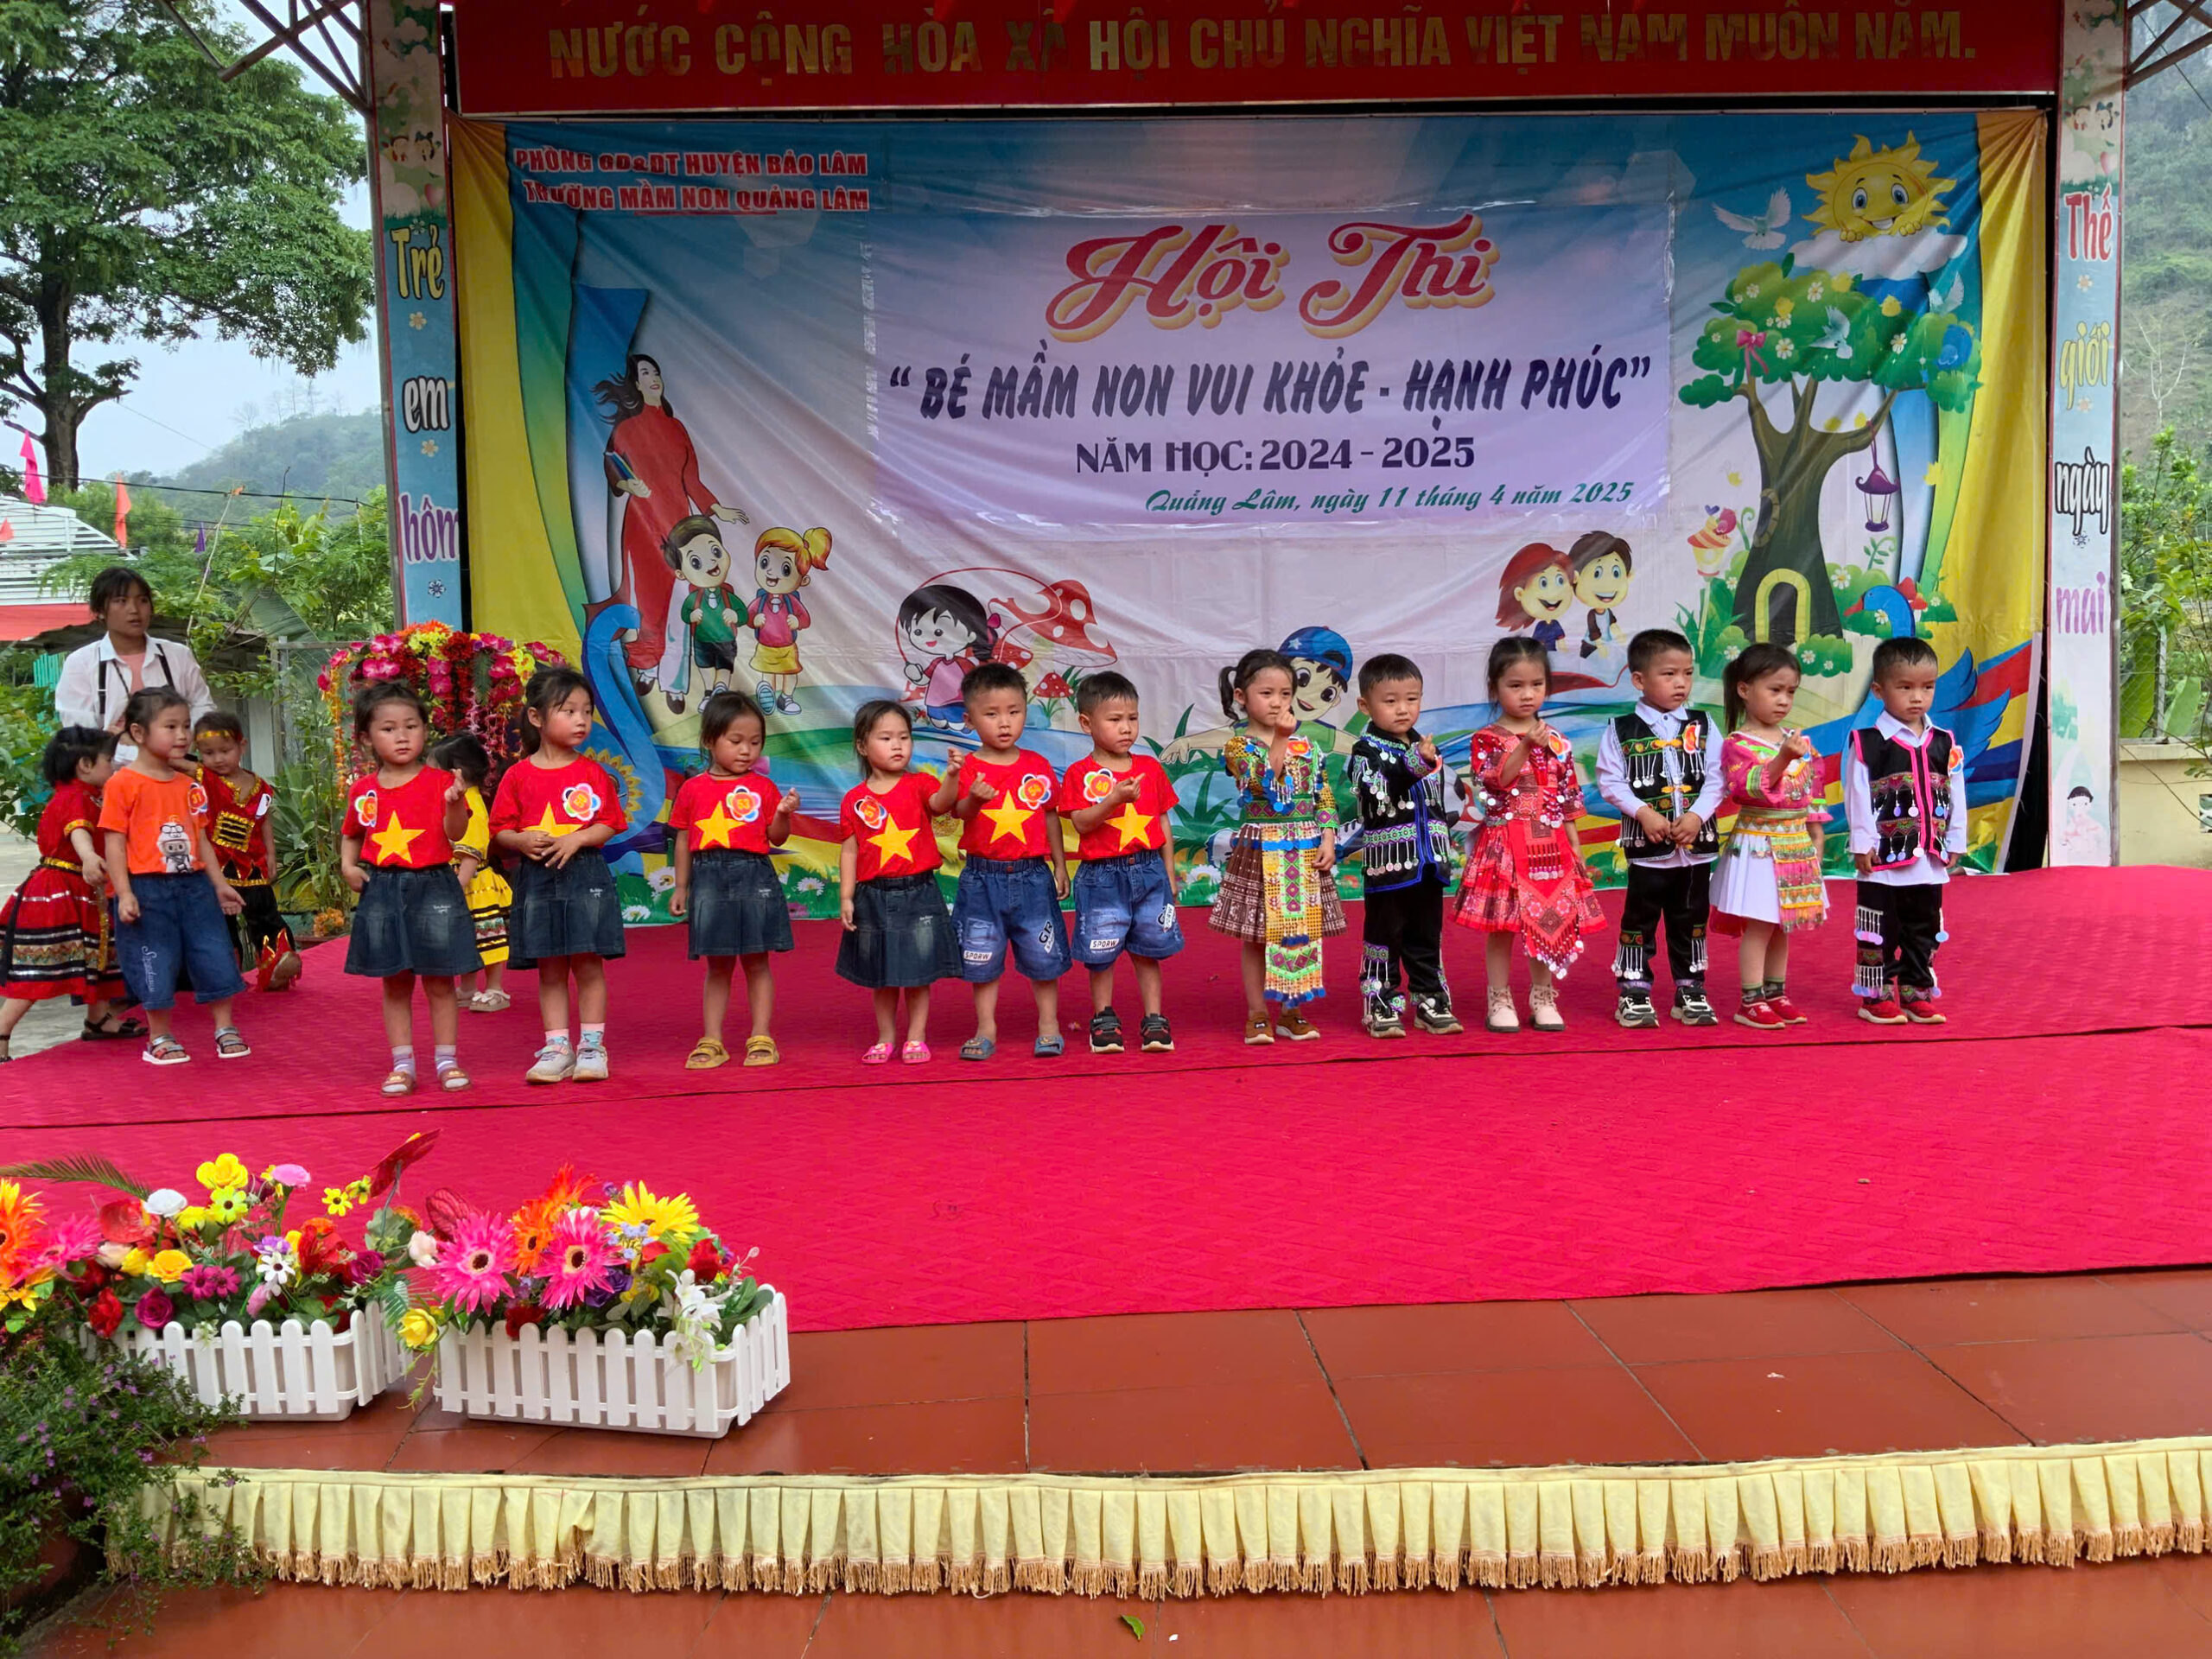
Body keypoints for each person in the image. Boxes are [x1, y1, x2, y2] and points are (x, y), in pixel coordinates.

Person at [1452, 638, 1603, 1033]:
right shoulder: (1486, 738)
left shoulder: (1557, 740)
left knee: (1549, 920)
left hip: (1550, 844)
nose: (1527, 694)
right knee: (1502, 927)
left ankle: (1543, 995)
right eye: (1515, 685)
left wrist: (1575, 844)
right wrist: (1524, 748)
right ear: (1495, 688)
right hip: (1505, 843)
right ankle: (1499, 997)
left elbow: (1568, 795)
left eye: (1536, 684)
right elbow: (1496, 781)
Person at [490, 666, 630, 1082]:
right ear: (536, 717)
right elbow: (499, 830)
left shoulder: (592, 772)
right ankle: (556, 1048)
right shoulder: (517, 775)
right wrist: (520, 841)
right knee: (550, 968)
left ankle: (592, 1047)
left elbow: (610, 823)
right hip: (537, 880)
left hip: (585, 877)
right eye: (569, 711)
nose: (581, 720)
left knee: (587, 964)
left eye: (586, 711)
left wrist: (578, 839)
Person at [340, 683, 478, 1095]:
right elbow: (352, 833)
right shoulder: (363, 789)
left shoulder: (442, 782)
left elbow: (457, 833)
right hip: (382, 888)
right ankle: (402, 1064)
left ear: (424, 730)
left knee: (440, 980)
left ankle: (447, 1061)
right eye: (388, 729)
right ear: (367, 738)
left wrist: (455, 802)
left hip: (435, 886)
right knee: (395, 981)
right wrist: (348, 865)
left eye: (411, 726)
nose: (401, 736)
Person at [97, 688, 247, 1065]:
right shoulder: (121, 783)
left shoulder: (190, 785)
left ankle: (225, 1027)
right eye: (171, 727)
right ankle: (159, 1035)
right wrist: (124, 893)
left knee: (213, 951)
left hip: (195, 887)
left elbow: (201, 839)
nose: (183, 735)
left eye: (186, 726)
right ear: (138, 733)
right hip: (146, 889)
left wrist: (219, 885)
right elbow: (114, 843)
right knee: (153, 958)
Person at [1210, 647, 1346, 1044]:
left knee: (1301, 930)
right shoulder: (1239, 747)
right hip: (1261, 846)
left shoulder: (1310, 747)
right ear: (1241, 697)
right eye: (1266, 693)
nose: (1277, 702)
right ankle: (1257, 1012)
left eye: (1285, 694)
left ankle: (1292, 1011)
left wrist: (1328, 836)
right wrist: (1282, 740)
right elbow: (1261, 785)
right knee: (1258, 934)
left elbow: (1323, 793)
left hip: (1305, 846)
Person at [592, 353, 748, 697]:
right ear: (636, 383)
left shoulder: (676, 428)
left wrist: (716, 509)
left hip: (681, 525)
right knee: (648, 599)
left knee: (684, 601)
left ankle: (675, 683)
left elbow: (691, 479)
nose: (654, 378)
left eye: (656, 372)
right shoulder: (627, 428)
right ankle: (647, 664)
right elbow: (612, 465)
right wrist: (627, 484)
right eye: (646, 373)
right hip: (642, 524)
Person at [1594, 629, 1723, 1029]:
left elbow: (1718, 777)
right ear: (1639, 680)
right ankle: (1633, 991)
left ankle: (1691, 989)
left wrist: (1697, 816)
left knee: (1692, 919)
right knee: (1640, 920)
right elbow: (1609, 781)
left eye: (1687, 673)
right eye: (1669, 674)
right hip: (1648, 851)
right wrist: (1643, 813)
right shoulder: (1621, 729)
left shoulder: (1704, 724)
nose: (1681, 683)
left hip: (1695, 849)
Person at [947, 662, 1071, 1060]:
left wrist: (1060, 864)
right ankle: (986, 1027)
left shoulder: (1037, 765)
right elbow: (959, 813)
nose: (1004, 723)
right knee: (981, 956)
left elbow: (1050, 815)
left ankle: (1048, 1025)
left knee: (1043, 955)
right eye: (992, 714)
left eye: (1014, 712)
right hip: (982, 879)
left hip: (1033, 876)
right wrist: (974, 799)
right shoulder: (968, 767)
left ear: (1025, 712)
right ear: (969, 720)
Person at [669, 690, 797, 1069]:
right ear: (710, 740)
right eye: (736, 741)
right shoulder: (692, 789)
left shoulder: (764, 787)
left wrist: (784, 813)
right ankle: (712, 1039)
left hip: (755, 878)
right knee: (718, 966)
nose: (746, 751)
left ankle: (762, 1036)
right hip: (708, 880)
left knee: (757, 962)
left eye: (755, 742)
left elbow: (777, 838)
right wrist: (681, 886)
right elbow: (683, 839)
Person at [1058, 671, 1181, 1055]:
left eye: (1132, 718)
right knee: (1101, 953)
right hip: (1101, 876)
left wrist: (1169, 871)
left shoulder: (1150, 768)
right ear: (1086, 723)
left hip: (1149, 870)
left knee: (1149, 950)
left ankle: (1154, 1017)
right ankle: (1103, 1017)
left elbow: (1163, 820)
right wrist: (1112, 799)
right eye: (1114, 719)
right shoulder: (1079, 773)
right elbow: (1081, 823)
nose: (1126, 728)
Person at [1845, 636, 1966, 1024]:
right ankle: (1875, 994)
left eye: (1927, 687)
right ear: (1879, 690)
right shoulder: (1868, 743)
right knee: (1879, 929)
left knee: (1924, 928)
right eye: (1905, 687)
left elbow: (1956, 792)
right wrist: (1862, 842)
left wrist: (1956, 839)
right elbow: (1856, 794)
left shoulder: (1944, 742)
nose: (1917, 697)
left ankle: (1916, 989)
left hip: (1929, 858)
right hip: (1882, 860)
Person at [1711, 643, 1830, 1030]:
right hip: (1760, 843)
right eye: (1775, 690)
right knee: (1761, 923)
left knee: (1784, 923)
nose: (1784, 700)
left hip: (1795, 842)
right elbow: (1747, 789)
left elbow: (1811, 789)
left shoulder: (1795, 740)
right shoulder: (1737, 744)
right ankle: (1751, 999)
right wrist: (1783, 757)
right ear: (1744, 690)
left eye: (1790, 692)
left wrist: (1816, 834)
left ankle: (1776, 993)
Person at [836, 700, 958, 1062]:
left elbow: (942, 803)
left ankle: (916, 1037)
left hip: (919, 893)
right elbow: (849, 851)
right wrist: (846, 897)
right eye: (886, 738)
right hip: (873, 897)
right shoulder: (854, 800)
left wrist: (952, 776)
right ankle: (886, 1037)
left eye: (904, 737)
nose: (897, 745)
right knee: (882, 975)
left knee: (919, 973)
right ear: (862, 745)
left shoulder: (920, 784)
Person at [0, 727, 134, 1059]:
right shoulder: (75, 798)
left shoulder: (88, 795)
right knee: (42, 967)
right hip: (60, 892)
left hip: (80, 889)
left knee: (98, 956)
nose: (113, 766)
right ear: (85, 765)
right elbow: (79, 831)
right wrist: (88, 857)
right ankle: (1, 1030)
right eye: (108, 760)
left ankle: (99, 1019)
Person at [1346, 653, 1459, 1039]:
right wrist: (1413, 764)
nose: (1403, 709)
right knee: (1385, 933)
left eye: (1412, 699)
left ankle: (1430, 999)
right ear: (1365, 705)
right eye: (1390, 701)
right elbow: (1376, 794)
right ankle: (1380, 1001)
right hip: (1388, 865)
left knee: (1426, 933)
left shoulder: (1424, 746)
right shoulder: (1365, 751)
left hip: (1428, 862)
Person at [192, 712, 301, 993]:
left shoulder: (261, 787)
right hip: (217, 867)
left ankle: (278, 963)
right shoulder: (205, 779)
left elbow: (264, 821)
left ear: (242, 745)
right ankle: (226, 975)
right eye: (208, 753)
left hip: (253, 865)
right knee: (221, 924)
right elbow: (173, 761)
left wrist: (272, 854)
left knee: (265, 914)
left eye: (225, 751)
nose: (218, 759)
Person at [52, 566, 216, 749]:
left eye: (142, 601)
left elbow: (203, 709)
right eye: (121, 601)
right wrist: (123, 747)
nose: (134, 610)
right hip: (111, 766)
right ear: (99, 610)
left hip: (174, 763)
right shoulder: (81, 663)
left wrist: (177, 739)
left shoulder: (178, 656)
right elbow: (79, 733)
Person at [430, 734, 512, 1014]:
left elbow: (471, 854)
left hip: (475, 885)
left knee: (488, 939)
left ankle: (495, 988)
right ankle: (467, 987)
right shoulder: (458, 802)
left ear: (457, 774)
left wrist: (455, 887)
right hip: (461, 882)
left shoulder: (472, 804)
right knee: (468, 939)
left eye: (435, 771)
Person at [747, 527, 831, 715]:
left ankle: (786, 698)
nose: (771, 571)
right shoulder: (760, 601)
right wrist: (754, 620)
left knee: (790, 673)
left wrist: (797, 622)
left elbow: (805, 619)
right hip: (765, 646)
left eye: (785, 569)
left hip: (787, 647)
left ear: (803, 580)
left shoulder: (792, 602)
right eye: (765, 562)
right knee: (768, 673)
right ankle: (767, 695)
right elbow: (748, 616)